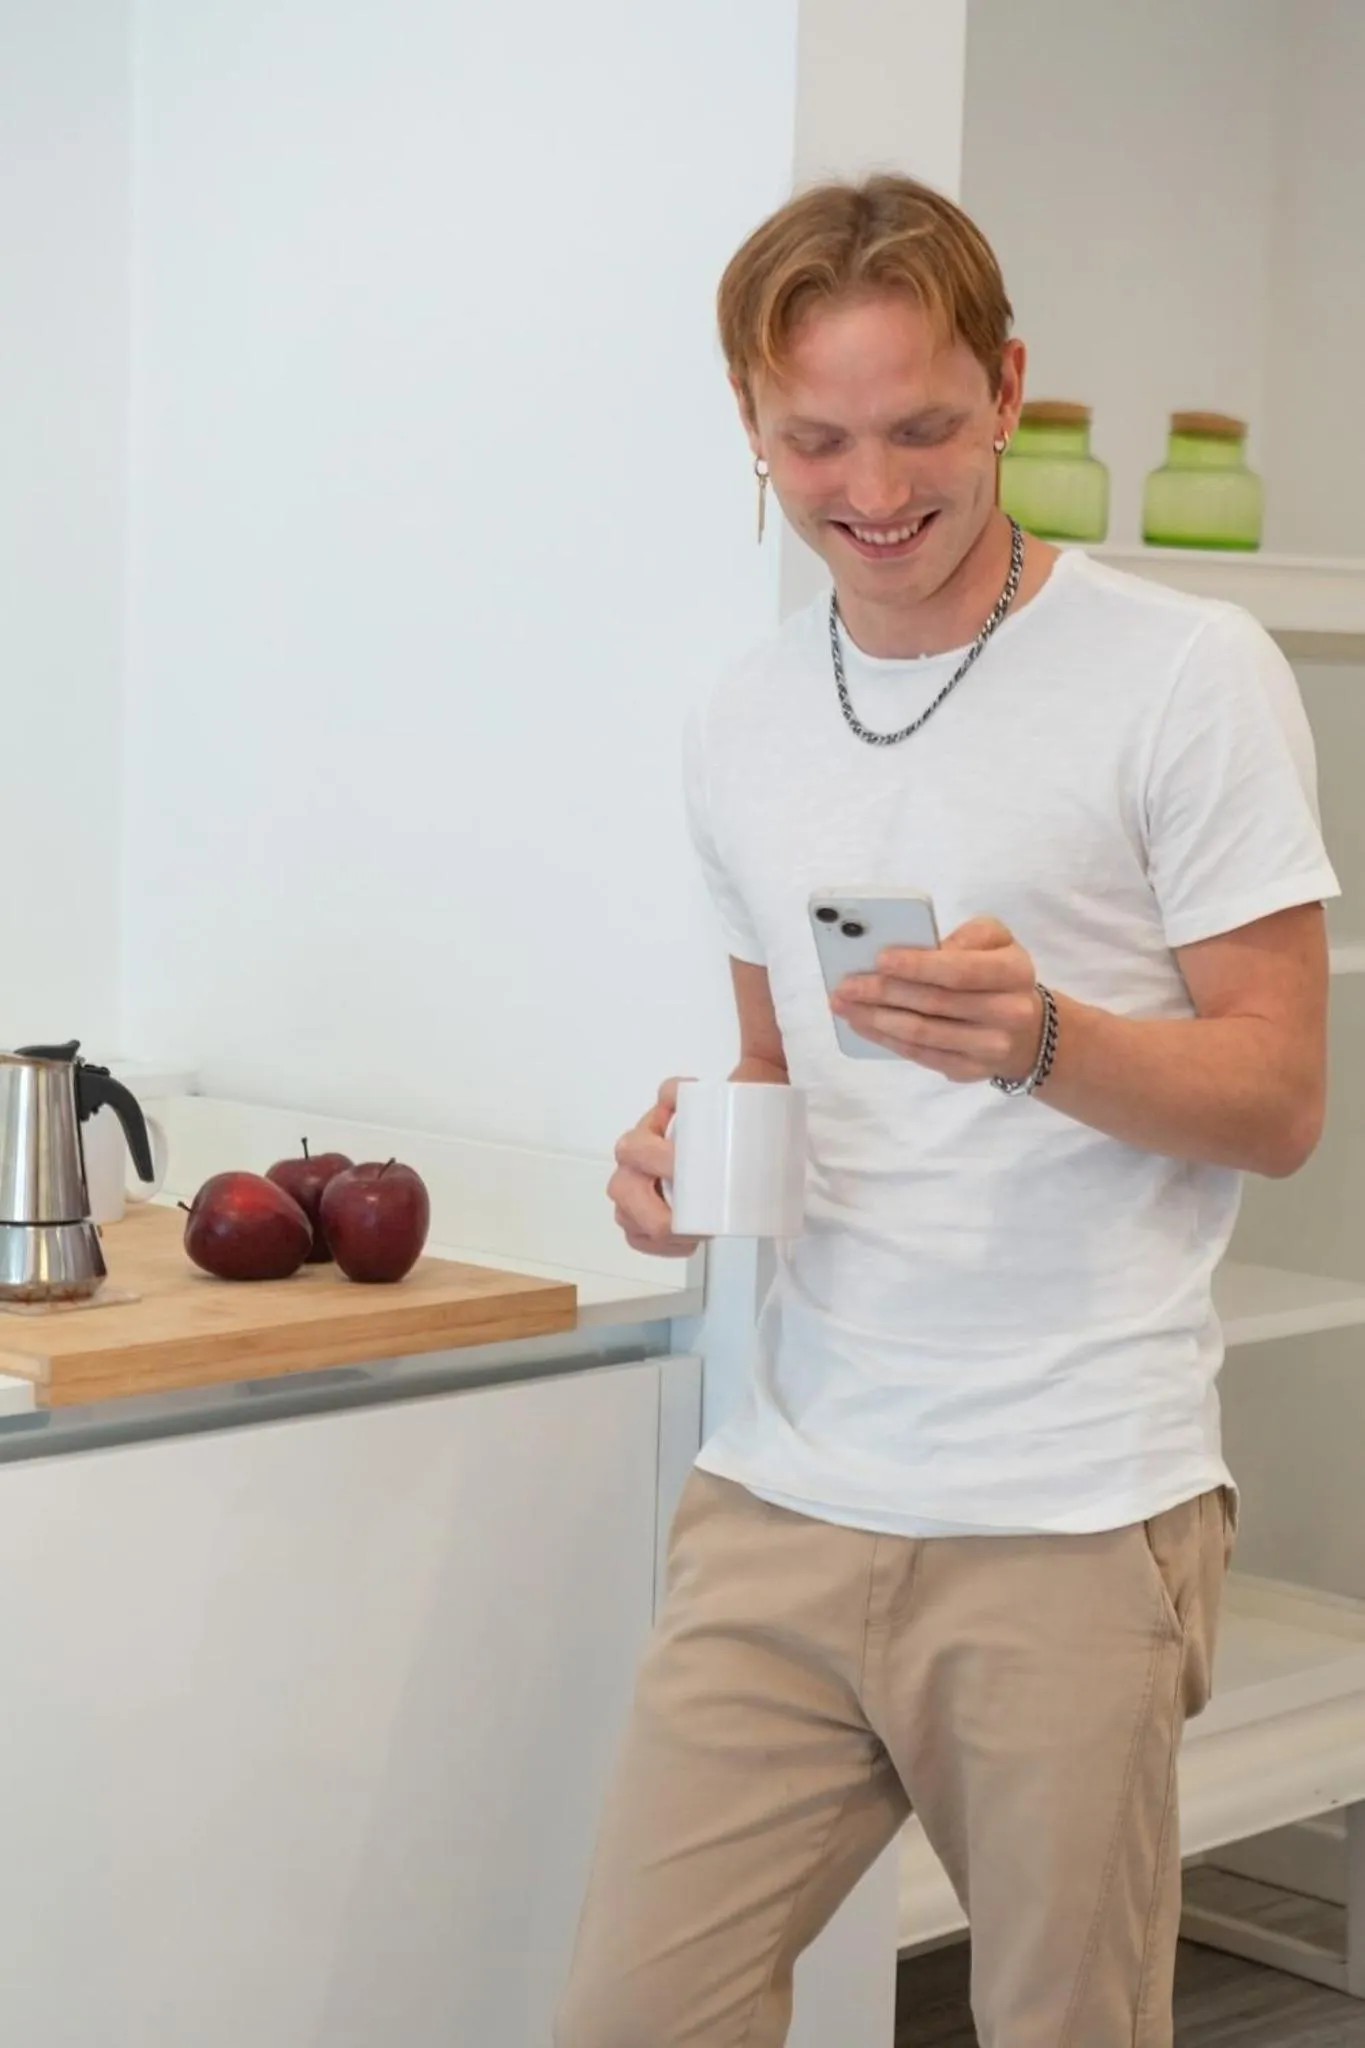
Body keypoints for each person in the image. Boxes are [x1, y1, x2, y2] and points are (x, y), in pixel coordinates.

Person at [555, 175, 1337, 2048]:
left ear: (1005, 390)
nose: (874, 486)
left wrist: (1042, 1040)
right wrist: (681, 1167)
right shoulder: (741, 718)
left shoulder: (1184, 674)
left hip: (1073, 1511)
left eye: (919, 425)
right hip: (787, 1492)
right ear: (751, 423)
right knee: (634, 2018)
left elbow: (1281, 1094)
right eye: (816, 439)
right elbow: (779, 1067)